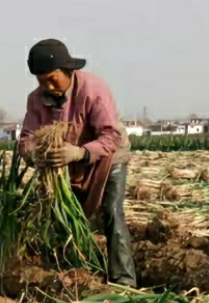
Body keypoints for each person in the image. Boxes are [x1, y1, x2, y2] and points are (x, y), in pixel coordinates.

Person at [18, 39, 137, 287]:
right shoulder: (36, 100)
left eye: (52, 78)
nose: (48, 86)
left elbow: (111, 136)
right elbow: (25, 142)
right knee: (65, 218)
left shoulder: (93, 90)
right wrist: (38, 155)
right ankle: (79, 275)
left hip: (108, 157)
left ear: (67, 70)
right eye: (41, 81)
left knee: (111, 212)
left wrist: (80, 153)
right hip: (67, 168)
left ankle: (123, 282)